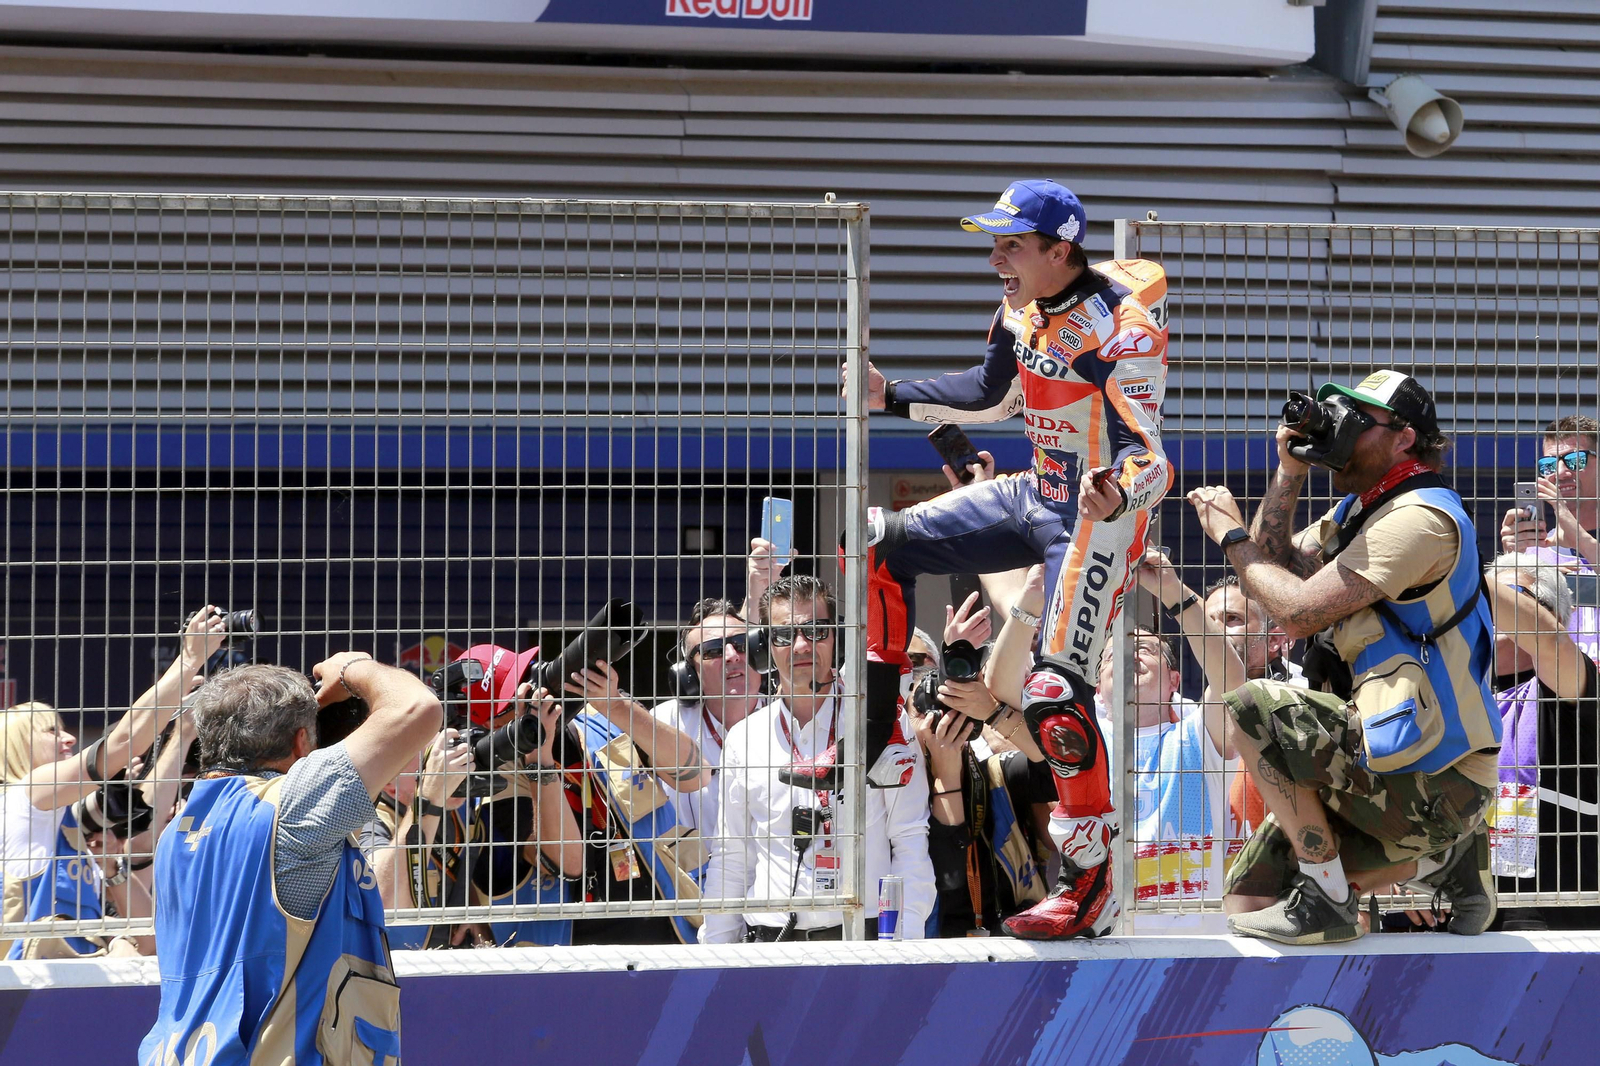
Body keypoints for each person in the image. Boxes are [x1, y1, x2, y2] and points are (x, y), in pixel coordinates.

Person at [844, 178, 1170, 939]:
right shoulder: (1020, 307)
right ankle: (881, 737)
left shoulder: (1124, 332)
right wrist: (888, 393)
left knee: (1054, 691)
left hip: (1097, 520)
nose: (995, 257)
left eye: (1011, 244)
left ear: (1060, 250)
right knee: (880, 542)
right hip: (1031, 492)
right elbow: (991, 394)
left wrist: (1115, 495)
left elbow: (1151, 460)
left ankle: (1091, 884)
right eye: (992, 241)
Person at [1186, 369, 1501, 945]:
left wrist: (1232, 537)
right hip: (1389, 761)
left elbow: (1296, 613)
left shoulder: (1419, 519)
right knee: (1252, 891)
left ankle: (1329, 898)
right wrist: (1289, 472)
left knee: (1246, 707)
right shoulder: (1364, 511)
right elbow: (1275, 565)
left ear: (1403, 437)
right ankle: (1445, 864)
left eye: (1355, 422)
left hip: (1437, 774)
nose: (1339, 431)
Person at [139, 654, 441, 1066]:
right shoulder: (294, 805)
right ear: (301, 743)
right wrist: (354, 666)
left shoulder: (178, 829)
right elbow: (418, 708)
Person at [700, 575, 935, 942]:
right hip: (771, 945)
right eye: (783, 635)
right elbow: (731, 857)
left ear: (836, 637)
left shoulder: (884, 723)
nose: (800, 646)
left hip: (866, 941)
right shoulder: (743, 738)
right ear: (763, 648)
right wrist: (717, 956)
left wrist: (906, 945)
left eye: (816, 631)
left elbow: (909, 841)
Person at [0, 605, 226, 959]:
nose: (69, 739)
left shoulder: (67, 823)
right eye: (50, 731)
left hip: (68, 991)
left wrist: (181, 734)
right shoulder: (22, 799)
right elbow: (121, 744)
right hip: (25, 996)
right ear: (15, 747)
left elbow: (145, 817)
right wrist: (187, 661)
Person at [917, 578, 1056, 937]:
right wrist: (944, 776)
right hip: (914, 939)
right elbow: (945, 874)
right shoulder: (889, 771)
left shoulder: (992, 770)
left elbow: (1050, 765)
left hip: (1004, 935)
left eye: (923, 664)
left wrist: (993, 712)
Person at [1486, 552, 1600, 930]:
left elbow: (1548, 640)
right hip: (1466, 909)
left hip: (1553, 913)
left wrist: (1455, 571)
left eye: (1509, 595)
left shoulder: (1570, 689)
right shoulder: (1462, 696)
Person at [1094, 625, 1236, 902]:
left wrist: (1176, 595)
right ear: (1098, 686)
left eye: (1144, 650)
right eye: (1112, 655)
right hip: (1102, 929)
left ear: (1174, 681)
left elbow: (1230, 678)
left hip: (1195, 929)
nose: (1129, 656)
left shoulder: (1200, 734)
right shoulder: (1084, 739)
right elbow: (1003, 686)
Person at [652, 595, 764, 836]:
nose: (732, 655)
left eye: (742, 644)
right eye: (713, 651)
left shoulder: (791, 714)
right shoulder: (663, 722)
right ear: (689, 674)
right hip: (691, 872)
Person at [357, 725, 472, 950]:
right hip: (400, 970)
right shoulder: (372, 820)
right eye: (429, 767)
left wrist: (479, 913)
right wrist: (428, 797)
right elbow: (381, 899)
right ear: (389, 783)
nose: (448, 775)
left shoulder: (460, 810)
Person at [1500, 414, 1600, 657]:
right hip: (1555, 690)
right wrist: (1511, 567)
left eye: (1575, 460)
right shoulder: (1533, 552)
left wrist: (1579, 537)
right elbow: (1502, 651)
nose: (1560, 471)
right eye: (1549, 464)